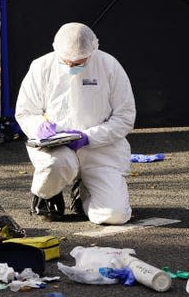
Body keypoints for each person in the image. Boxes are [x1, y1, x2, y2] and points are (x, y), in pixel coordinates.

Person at [15, 22, 136, 224]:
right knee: (55, 164)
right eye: (67, 62)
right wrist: (39, 128)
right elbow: (26, 112)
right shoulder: (41, 66)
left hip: (100, 151)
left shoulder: (109, 65)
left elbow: (125, 117)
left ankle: (84, 195)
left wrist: (90, 137)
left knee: (114, 216)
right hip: (57, 148)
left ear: (93, 50)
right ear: (56, 49)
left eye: (80, 62)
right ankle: (45, 194)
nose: (73, 67)